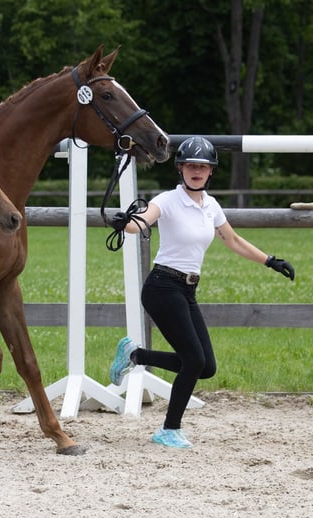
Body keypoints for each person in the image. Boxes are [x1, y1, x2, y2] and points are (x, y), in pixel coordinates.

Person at [107, 136, 295, 449]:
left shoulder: (211, 206)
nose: (197, 171)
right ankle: (169, 429)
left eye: (203, 167)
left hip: (187, 289)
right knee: (193, 360)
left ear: (211, 172)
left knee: (206, 367)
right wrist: (124, 223)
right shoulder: (168, 200)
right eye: (191, 165)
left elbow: (232, 240)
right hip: (162, 287)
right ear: (180, 168)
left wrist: (270, 261)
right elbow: (142, 222)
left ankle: (136, 355)